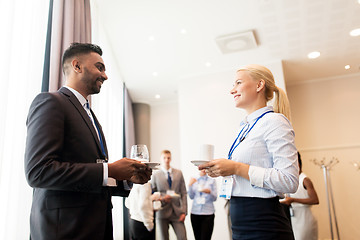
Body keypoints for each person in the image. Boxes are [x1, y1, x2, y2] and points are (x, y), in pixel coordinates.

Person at [24, 43, 152, 240]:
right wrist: (110, 169)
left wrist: (126, 180)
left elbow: (92, 175)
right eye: (99, 67)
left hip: (95, 228)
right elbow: (39, 171)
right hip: (64, 231)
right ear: (77, 66)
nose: (106, 76)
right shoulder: (51, 102)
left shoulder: (90, 115)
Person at [199, 64, 299, 240]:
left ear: (259, 85)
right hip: (239, 219)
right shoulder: (244, 127)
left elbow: (289, 181)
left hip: (263, 224)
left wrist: (237, 168)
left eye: (238, 83)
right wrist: (222, 169)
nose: (232, 90)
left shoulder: (275, 121)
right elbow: (245, 172)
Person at [281, 152, 319, 240]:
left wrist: (293, 200)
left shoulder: (305, 180)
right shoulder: (292, 180)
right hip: (294, 218)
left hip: (305, 218)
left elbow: (315, 200)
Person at [150, 150, 188, 240]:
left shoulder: (179, 173)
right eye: (164, 158)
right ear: (161, 159)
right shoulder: (155, 174)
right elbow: (152, 193)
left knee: (182, 237)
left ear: (171, 158)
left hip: (177, 212)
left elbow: (184, 193)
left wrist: (184, 212)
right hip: (162, 212)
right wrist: (162, 198)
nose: (166, 160)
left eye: (168, 158)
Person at [188, 169, 217, 240]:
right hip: (195, 212)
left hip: (208, 213)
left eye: (205, 168)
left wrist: (209, 192)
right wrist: (189, 185)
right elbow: (191, 196)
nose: (203, 170)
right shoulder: (194, 179)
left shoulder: (212, 180)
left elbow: (215, 198)